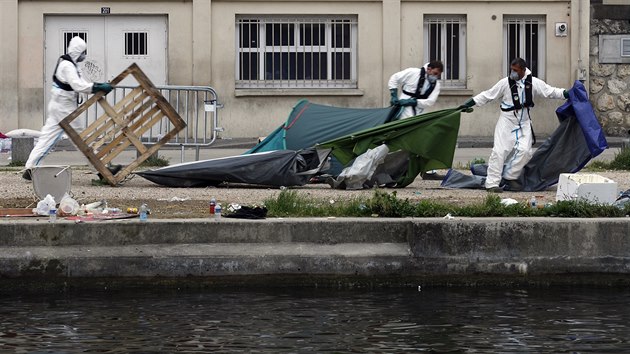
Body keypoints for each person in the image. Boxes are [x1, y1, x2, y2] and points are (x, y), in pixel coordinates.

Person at [459, 58, 569, 193]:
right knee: (499, 151)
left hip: (524, 122)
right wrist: (470, 103)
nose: (512, 73)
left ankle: (510, 177)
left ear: (523, 70)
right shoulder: (505, 83)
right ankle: (492, 184)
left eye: (515, 70)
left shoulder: (534, 83)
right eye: (511, 69)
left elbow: (550, 91)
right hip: (507, 121)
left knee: (525, 151)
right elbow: (488, 95)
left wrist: (567, 94)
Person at [23, 36, 113, 180]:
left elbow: (80, 82)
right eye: (83, 52)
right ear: (78, 52)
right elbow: (77, 85)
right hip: (64, 109)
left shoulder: (72, 65)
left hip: (60, 107)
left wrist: (96, 84)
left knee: (47, 138)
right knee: (82, 141)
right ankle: (101, 170)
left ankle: (30, 167)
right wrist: (96, 88)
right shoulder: (67, 66)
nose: (84, 55)